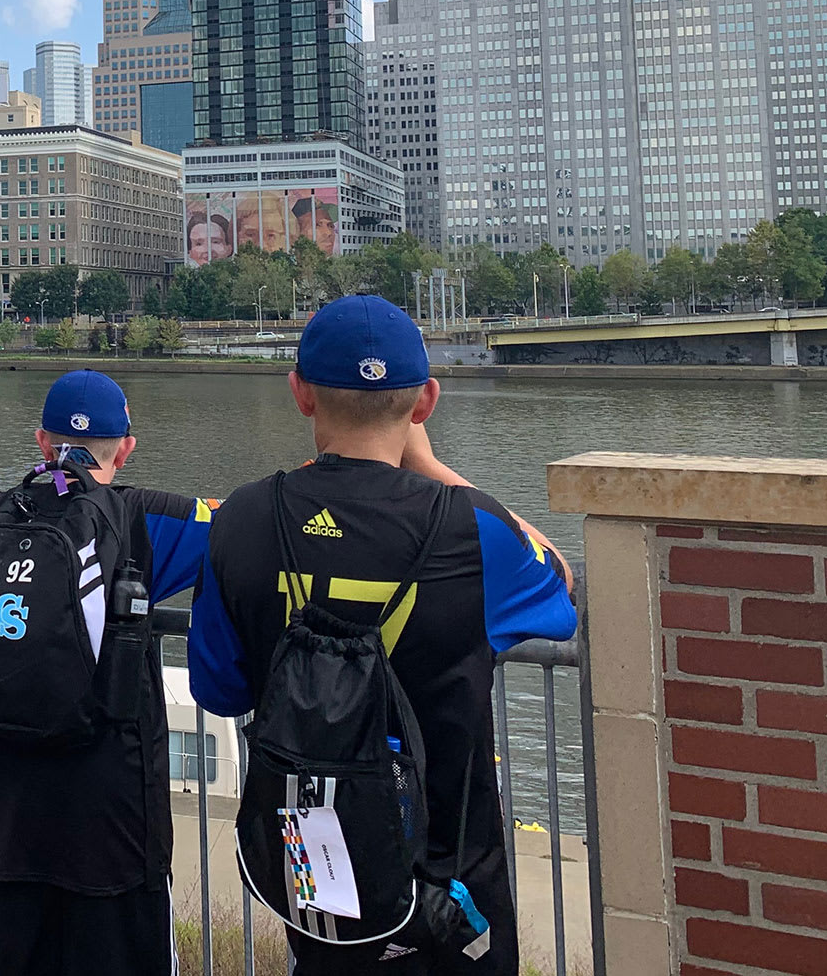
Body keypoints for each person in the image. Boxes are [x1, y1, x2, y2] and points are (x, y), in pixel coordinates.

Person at [188, 295, 576, 976]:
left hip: (313, 857)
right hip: (450, 880)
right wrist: (429, 465)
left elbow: (220, 689)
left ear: (300, 394)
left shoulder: (243, 518)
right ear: (425, 401)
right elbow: (557, 577)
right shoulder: (470, 529)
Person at [0, 369, 220, 976]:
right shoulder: (150, 520)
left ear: (42, 443)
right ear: (125, 448)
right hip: (112, 817)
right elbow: (241, 524)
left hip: (2, 817)